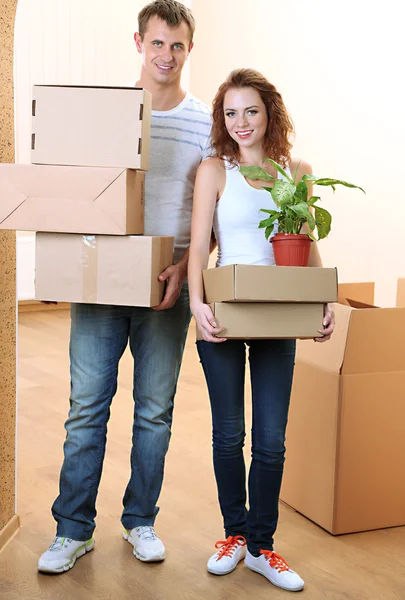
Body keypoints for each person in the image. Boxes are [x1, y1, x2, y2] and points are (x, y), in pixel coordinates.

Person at [38, 0, 211, 573]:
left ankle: (140, 521)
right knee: (86, 407)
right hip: (102, 281)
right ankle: (72, 529)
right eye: (157, 43)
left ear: (190, 49)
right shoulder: (106, 115)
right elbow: (70, 191)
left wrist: (185, 269)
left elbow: (211, 215)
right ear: (138, 44)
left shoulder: (207, 123)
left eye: (178, 45)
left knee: (154, 411)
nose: (167, 55)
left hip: (168, 286)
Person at [188, 68, 335, 592]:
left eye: (251, 110)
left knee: (271, 441)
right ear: (221, 119)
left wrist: (322, 300)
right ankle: (234, 534)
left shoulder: (296, 170)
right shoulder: (214, 170)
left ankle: (262, 547)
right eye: (230, 112)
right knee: (229, 435)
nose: (241, 122)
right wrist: (195, 306)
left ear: (270, 112)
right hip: (225, 314)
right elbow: (199, 244)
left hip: (278, 317)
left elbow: (307, 244)